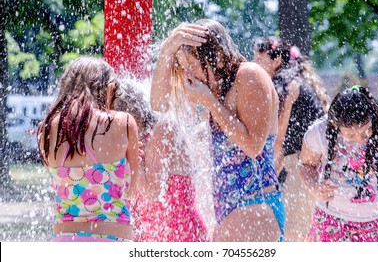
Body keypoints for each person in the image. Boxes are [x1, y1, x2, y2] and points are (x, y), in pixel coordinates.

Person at [151, 19, 285, 242]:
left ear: (219, 57)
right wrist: (167, 49)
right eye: (183, 67)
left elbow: (253, 147)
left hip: (256, 202)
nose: (188, 74)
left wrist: (210, 102)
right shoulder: (215, 88)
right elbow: (159, 104)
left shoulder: (249, 75)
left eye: (192, 66)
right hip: (231, 209)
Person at [37, 56, 139, 242]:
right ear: (108, 88)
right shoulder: (122, 122)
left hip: (65, 241)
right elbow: (131, 191)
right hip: (113, 240)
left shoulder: (48, 129)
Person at [299, 86, 378, 242]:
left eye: (366, 131)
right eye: (350, 134)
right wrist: (315, 187)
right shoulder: (319, 132)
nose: (360, 138)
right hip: (332, 218)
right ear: (336, 125)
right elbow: (305, 165)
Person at [253, 36, 329, 241]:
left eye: (259, 61)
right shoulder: (292, 79)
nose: (255, 67)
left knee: (294, 232)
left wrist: (271, 168)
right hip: (311, 163)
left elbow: (277, 134)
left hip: (304, 163)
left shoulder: (283, 84)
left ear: (276, 61)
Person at [114, 79, 210, 242]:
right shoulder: (143, 138)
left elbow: (152, 192)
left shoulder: (161, 130)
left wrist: (131, 156)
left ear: (130, 115)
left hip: (183, 236)